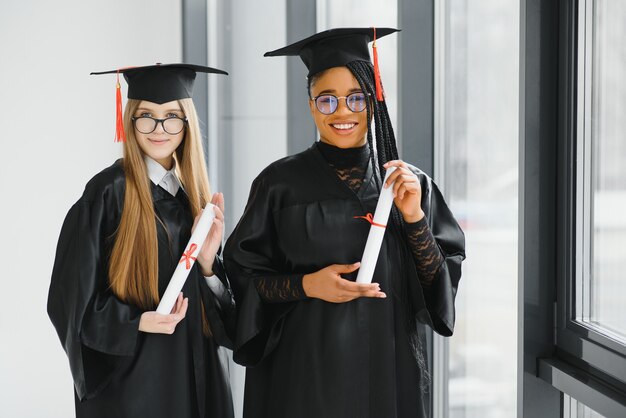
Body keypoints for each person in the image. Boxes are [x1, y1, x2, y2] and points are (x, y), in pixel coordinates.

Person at [224, 28, 466, 418]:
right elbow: (243, 280)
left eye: (356, 97)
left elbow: (439, 291)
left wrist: (414, 218)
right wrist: (307, 285)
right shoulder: (278, 184)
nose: (343, 111)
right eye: (327, 100)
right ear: (310, 105)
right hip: (302, 377)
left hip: (387, 371)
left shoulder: (410, 184)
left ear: (373, 99)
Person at [48, 63, 235, 418]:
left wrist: (209, 266)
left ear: (187, 124)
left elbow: (227, 319)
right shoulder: (106, 194)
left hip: (197, 375)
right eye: (147, 115)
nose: (159, 129)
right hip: (135, 385)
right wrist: (136, 322)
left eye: (171, 117)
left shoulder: (194, 199)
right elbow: (69, 301)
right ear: (130, 120)